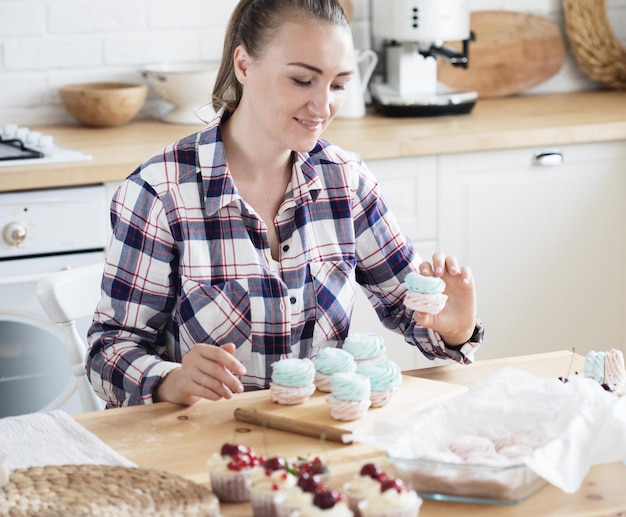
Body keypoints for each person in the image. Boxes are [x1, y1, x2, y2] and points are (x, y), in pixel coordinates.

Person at [87, 0, 483, 409]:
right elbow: (109, 352)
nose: (323, 105)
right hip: (207, 445)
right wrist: (171, 380)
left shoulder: (345, 181)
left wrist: (454, 327)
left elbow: (411, 307)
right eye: (301, 80)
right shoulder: (162, 192)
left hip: (320, 440)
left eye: (339, 84)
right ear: (244, 65)